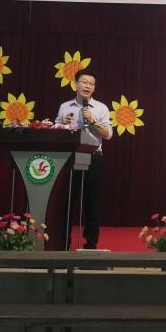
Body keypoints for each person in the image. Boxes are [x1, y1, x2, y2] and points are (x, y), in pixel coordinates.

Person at [55, 68, 113, 249]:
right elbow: (56, 130)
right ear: (76, 84)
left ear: (94, 88)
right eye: (84, 82)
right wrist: (61, 124)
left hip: (93, 157)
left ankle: (91, 242)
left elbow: (108, 134)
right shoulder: (65, 107)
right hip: (70, 157)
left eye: (91, 84)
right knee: (67, 201)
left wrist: (93, 121)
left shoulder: (101, 108)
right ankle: (63, 241)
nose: (87, 86)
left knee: (92, 201)